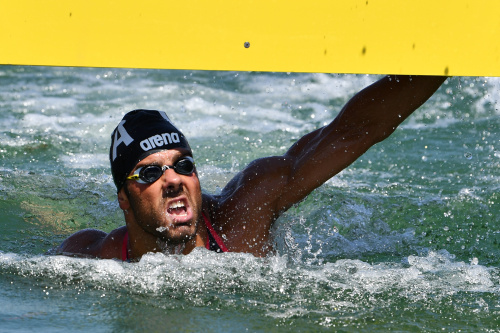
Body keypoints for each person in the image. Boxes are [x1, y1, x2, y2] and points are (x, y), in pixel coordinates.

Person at [57, 75, 447, 261]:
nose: (173, 179)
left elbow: (355, 131)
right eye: (149, 172)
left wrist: (442, 58)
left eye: (183, 165)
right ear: (124, 199)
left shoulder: (245, 214)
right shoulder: (95, 255)